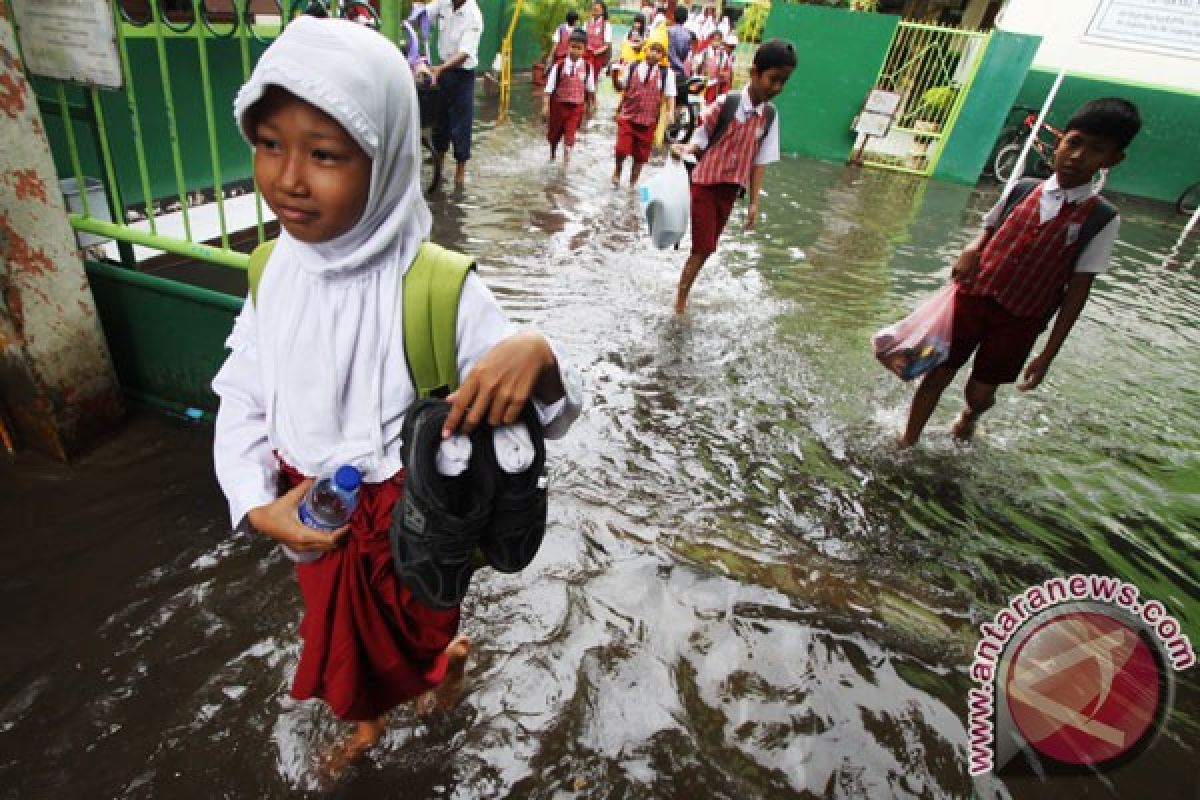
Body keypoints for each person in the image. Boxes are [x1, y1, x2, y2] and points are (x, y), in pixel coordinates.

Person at [212, 17, 582, 780]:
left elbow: (551, 414)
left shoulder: (438, 286)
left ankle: (441, 667)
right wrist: (256, 502)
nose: (287, 177)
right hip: (314, 509)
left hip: (412, 525)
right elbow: (242, 395)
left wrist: (537, 353)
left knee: (421, 626)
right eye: (269, 143)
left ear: (382, 160)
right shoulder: (270, 270)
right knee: (339, 631)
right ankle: (375, 714)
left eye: (323, 154)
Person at [899, 98, 1141, 446]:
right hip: (973, 299)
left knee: (980, 393)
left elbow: (1077, 291)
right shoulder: (1024, 188)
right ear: (1059, 141)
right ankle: (908, 441)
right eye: (1073, 143)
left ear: (1112, 160)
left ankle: (971, 415)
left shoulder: (1101, 218)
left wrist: (1047, 354)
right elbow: (989, 225)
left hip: (1021, 318)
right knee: (936, 373)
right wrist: (972, 248)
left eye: (1095, 150)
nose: (1076, 156)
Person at [669, 38, 796, 314]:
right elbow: (701, 139)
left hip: (729, 191)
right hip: (704, 183)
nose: (776, 88)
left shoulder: (769, 117)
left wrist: (753, 203)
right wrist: (686, 148)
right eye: (773, 79)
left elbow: (759, 162)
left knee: (709, 247)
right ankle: (680, 300)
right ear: (754, 72)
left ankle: (682, 291)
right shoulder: (726, 104)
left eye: (783, 82)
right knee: (703, 246)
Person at [424, 0, 484, 189]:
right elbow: (423, 15)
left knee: (461, 126)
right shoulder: (442, 3)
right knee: (440, 123)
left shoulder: (473, 15)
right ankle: (438, 171)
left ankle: (459, 176)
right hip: (442, 72)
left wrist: (441, 68)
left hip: (463, 75)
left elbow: (465, 53)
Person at [612, 40, 676, 188]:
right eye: (652, 50)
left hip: (648, 121)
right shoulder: (633, 66)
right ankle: (618, 170)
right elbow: (621, 86)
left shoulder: (667, 74)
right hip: (628, 116)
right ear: (645, 50)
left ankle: (632, 184)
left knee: (640, 157)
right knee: (621, 149)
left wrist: (670, 111)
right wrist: (615, 77)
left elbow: (671, 95)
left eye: (659, 51)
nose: (654, 54)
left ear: (663, 55)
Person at [542, 28, 596, 167]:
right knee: (553, 135)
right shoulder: (559, 66)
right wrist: (546, 106)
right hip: (558, 106)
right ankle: (553, 154)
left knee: (570, 136)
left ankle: (565, 163)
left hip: (576, 108)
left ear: (584, 49)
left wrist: (591, 106)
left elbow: (590, 89)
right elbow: (549, 88)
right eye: (573, 47)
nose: (575, 51)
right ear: (568, 46)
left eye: (579, 48)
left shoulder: (588, 68)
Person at [692, 28, 727, 105]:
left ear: (721, 41)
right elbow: (695, 67)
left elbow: (724, 70)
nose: (716, 42)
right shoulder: (704, 53)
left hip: (715, 85)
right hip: (703, 83)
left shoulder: (723, 54)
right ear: (711, 40)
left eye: (719, 40)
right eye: (715, 39)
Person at [584, 2, 612, 77]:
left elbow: (607, 45)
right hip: (586, 55)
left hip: (598, 57)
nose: (594, 10)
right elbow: (583, 39)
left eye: (596, 9)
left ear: (602, 11)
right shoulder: (587, 23)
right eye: (593, 9)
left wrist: (594, 52)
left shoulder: (606, 25)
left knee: (594, 79)